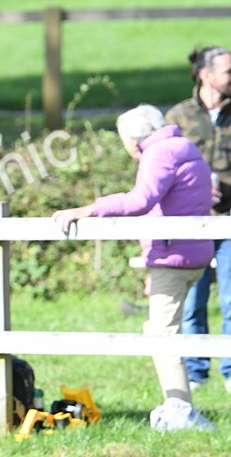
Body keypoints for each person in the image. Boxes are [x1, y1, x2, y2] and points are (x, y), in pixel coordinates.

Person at [53, 105, 214, 428]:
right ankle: (179, 404)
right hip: (190, 252)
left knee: (161, 333)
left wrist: (87, 209)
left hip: (174, 256)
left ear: (133, 137)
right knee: (160, 329)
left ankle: (181, 409)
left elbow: (141, 200)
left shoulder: (159, 152)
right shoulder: (184, 146)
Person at [166, 46, 231, 393]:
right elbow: (162, 166)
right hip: (192, 222)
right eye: (229, 71)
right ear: (206, 75)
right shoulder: (178, 117)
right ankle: (196, 372)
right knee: (193, 301)